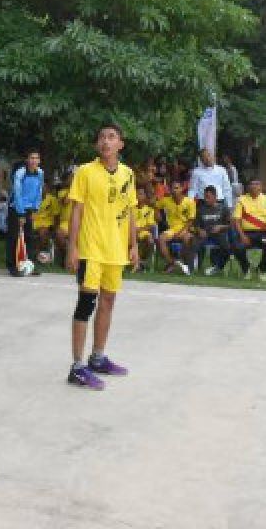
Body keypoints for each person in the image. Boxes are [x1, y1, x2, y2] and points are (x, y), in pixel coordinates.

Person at [64, 124, 138, 391]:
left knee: (108, 301)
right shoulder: (85, 172)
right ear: (97, 145)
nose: (106, 142)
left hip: (116, 251)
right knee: (86, 303)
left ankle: (97, 357)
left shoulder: (128, 174)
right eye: (102, 138)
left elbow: (130, 211)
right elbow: (76, 211)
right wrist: (72, 247)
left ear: (121, 144)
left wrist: (134, 245)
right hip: (91, 249)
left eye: (112, 137)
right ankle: (77, 367)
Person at [231, 178, 266, 281]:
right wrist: (242, 236)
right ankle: (246, 269)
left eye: (257, 184)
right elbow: (237, 221)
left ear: (261, 187)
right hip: (246, 233)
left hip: (264, 234)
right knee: (237, 247)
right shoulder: (241, 200)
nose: (255, 187)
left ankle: (261, 270)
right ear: (248, 187)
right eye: (252, 184)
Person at [6, 150, 44, 276]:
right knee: (14, 237)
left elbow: (39, 191)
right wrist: (21, 213)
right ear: (27, 160)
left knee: (29, 238)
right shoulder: (20, 172)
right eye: (31, 158)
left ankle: (29, 265)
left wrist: (35, 208)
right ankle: (12, 266)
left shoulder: (40, 173)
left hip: (29, 209)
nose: (34, 161)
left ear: (39, 160)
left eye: (36, 158)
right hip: (16, 208)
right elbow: (17, 193)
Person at [155, 181, 195, 275]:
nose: (174, 190)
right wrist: (157, 214)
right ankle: (171, 263)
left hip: (185, 229)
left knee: (188, 239)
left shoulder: (190, 201)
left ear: (181, 189)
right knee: (161, 238)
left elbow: (190, 221)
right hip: (171, 229)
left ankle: (185, 263)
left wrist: (181, 232)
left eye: (177, 188)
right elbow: (156, 206)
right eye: (173, 188)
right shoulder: (165, 200)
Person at [195, 186, 234, 275]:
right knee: (195, 242)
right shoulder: (201, 209)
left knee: (227, 248)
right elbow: (196, 224)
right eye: (205, 197)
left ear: (215, 196)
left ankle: (218, 267)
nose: (206, 199)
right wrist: (199, 230)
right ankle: (195, 266)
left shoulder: (223, 208)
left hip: (219, 233)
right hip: (205, 233)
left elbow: (230, 224)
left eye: (208, 197)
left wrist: (221, 227)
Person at [131, 186, 157, 272]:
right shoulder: (130, 209)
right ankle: (137, 263)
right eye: (137, 194)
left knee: (150, 240)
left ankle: (141, 261)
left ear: (145, 196)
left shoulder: (149, 210)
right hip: (130, 232)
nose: (138, 196)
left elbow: (151, 225)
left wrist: (139, 230)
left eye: (141, 194)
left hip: (143, 232)